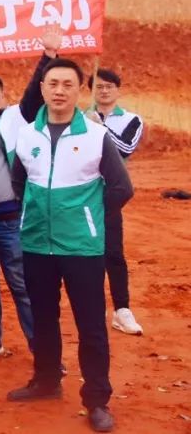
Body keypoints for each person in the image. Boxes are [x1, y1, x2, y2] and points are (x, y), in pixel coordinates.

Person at [6, 58, 133, 434]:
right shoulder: (26, 136)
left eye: (67, 84)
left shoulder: (95, 135)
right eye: (53, 83)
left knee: (90, 325)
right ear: (42, 88)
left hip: (81, 247)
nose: (59, 91)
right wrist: (30, 215)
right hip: (36, 245)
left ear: (80, 90)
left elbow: (122, 188)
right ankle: (46, 380)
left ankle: (97, 399)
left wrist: (85, 216)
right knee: (43, 317)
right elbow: (17, 182)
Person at [0, 32, 57, 362]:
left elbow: (34, 94)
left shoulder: (16, 118)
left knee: (22, 285)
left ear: (3, 96)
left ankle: (42, 350)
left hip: (11, 220)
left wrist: (48, 56)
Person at [86, 68, 144, 337]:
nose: (104, 91)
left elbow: (126, 148)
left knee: (113, 253)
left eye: (109, 86)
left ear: (117, 90)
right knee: (85, 255)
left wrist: (99, 127)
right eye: (98, 87)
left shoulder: (131, 119)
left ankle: (122, 309)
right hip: (82, 193)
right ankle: (91, 309)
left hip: (110, 193)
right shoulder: (79, 117)